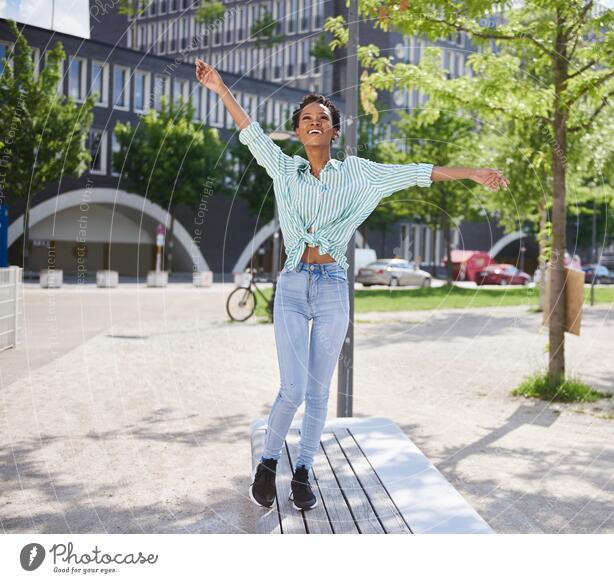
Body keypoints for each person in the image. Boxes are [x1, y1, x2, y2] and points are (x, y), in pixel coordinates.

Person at [195, 58, 509, 512]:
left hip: (330, 286)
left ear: (334, 131)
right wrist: (221, 87)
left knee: (319, 391)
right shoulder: (285, 172)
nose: (314, 123)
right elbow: (250, 132)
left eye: (323, 118)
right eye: (306, 119)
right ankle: (267, 464)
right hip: (293, 282)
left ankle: (302, 470)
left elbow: (417, 171)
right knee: (293, 389)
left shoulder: (360, 174)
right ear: (300, 133)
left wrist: (473, 173)